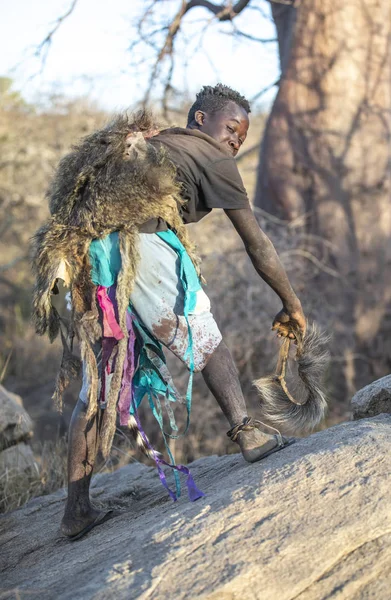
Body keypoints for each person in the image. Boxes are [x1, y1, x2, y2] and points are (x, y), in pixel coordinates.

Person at [60, 84, 306, 540]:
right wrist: (290, 303)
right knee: (204, 338)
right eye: (231, 129)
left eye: (241, 137)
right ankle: (247, 433)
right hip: (141, 247)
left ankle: (76, 510)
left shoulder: (156, 142)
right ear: (200, 119)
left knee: (101, 384)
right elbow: (256, 242)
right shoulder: (211, 156)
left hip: (92, 255)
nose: (234, 141)